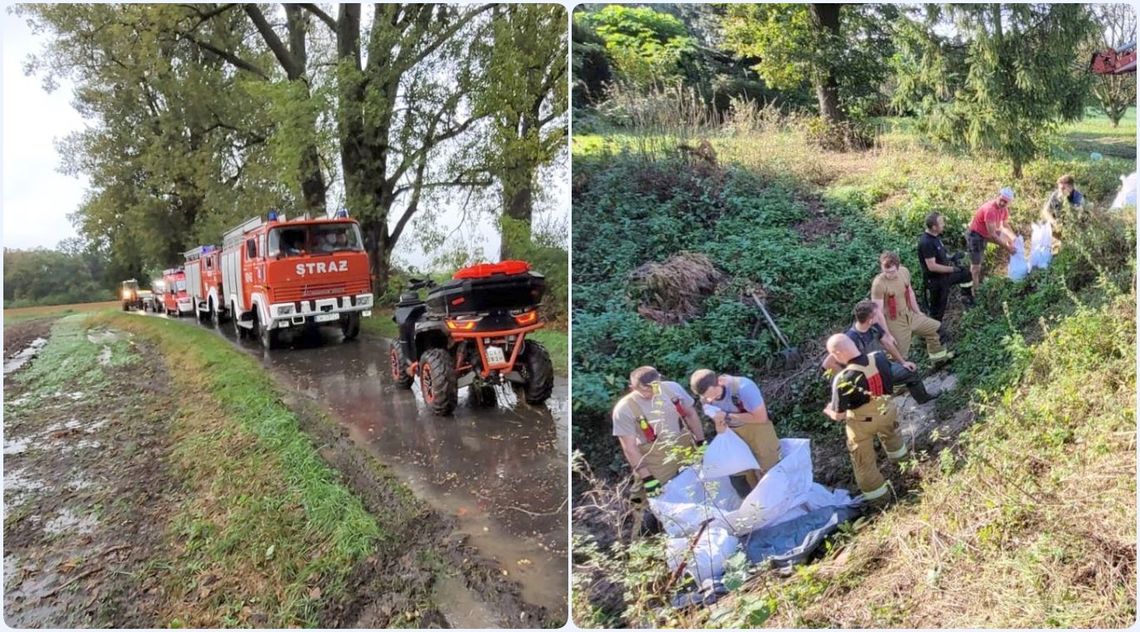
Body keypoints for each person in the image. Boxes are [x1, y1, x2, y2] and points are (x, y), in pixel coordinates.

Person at [822, 334, 906, 507]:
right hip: (887, 410)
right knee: (894, 439)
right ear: (853, 344)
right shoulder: (879, 357)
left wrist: (829, 410)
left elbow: (839, 415)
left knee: (864, 463)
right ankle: (906, 464)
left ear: (837, 355)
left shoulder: (842, 379)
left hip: (862, 424)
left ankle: (881, 501)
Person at [612, 366, 706, 498]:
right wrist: (647, 478)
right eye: (646, 391)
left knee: (699, 485)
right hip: (656, 459)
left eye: (656, 387)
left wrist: (701, 442)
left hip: (684, 445)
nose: (653, 393)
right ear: (633, 388)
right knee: (654, 497)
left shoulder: (673, 389)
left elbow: (690, 415)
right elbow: (629, 448)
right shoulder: (624, 409)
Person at [823, 300, 940, 404]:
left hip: (883, 367)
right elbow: (828, 363)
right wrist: (849, 380)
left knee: (910, 371)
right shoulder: (851, 338)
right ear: (870, 319)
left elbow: (888, 344)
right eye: (877, 315)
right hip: (868, 377)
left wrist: (903, 362)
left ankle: (922, 398)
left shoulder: (874, 327)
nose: (880, 316)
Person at [689, 369, 780, 492]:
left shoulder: (743, 388)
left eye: (714, 396)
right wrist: (719, 423)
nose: (710, 400)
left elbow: (760, 418)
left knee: (769, 470)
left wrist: (727, 415)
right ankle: (755, 505)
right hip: (733, 434)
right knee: (742, 475)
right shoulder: (706, 398)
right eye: (707, 398)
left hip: (758, 430)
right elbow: (720, 428)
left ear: (720, 382)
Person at [870, 251, 953, 365]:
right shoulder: (879, 284)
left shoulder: (904, 272)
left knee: (936, 329)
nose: (889, 275)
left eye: (892, 271)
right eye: (886, 272)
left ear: (898, 267)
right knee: (898, 355)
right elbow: (877, 312)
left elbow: (909, 292)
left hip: (909, 314)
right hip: (893, 321)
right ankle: (901, 379)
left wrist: (918, 312)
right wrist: (887, 334)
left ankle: (939, 360)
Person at [917, 212, 974, 322]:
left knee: (966, 273)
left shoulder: (935, 237)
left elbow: (940, 255)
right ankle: (935, 333)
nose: (944, 225)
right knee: (938, 310)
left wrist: (951, 257)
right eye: (941, 223)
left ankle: (966, 298)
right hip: (936, 281)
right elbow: (932, 266)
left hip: (945, 275)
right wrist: (952, 269)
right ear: (934, 227)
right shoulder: (926, 243)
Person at [966, 187, 1017, 288]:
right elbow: (993, 235)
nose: (1002, 203)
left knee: (1008, 239)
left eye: (1005, 202)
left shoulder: (1004, 209)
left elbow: (1005, 225)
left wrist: (1014, 238)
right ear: (998, 196)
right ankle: (974, 290)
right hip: (976, 235)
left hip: (987, 233)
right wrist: (1007, 248)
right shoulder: (990, 210)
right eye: (1001, 200)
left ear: (1009, 202)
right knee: (976, 267)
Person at [1041, 174, 1083, 245]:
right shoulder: (1056, 194)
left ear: (1071, 187)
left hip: (1074, 225)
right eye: (1059, 188)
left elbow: (1079, 217)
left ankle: (1072, 242)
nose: (1061, 190)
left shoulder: (1078, 197)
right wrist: (1054, 222)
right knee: (1044, 223)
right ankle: (1063, 241)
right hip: (1060, 222)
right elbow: (1045, 211)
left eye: (1063, 188)